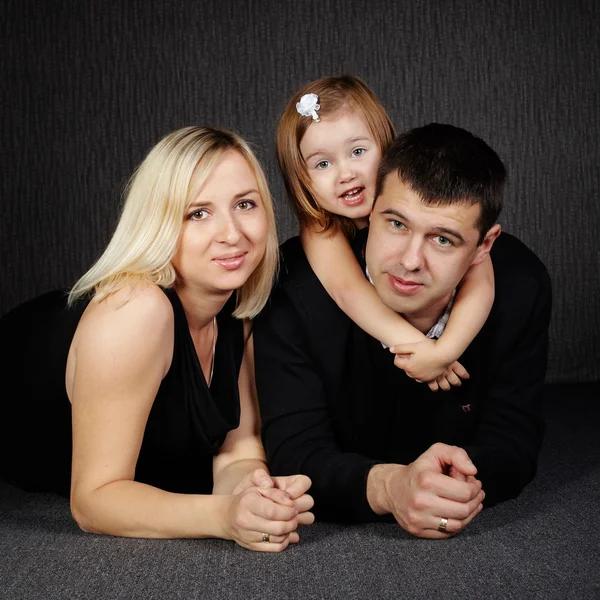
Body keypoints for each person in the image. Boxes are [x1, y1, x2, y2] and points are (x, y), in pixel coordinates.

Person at [0, 126, 313, 551]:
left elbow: (236, 453)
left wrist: (253, 494)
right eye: (197, 213)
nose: (233, 233)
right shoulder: (135, 311)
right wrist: (224, 517)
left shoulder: (237, 311)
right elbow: (94, 502)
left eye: (245, 204)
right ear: (158, 222)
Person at [254, 122, 552, 538]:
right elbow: (294, 452)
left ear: (484, 246)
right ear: (370, 208)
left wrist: (453, 486)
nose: (410, 261)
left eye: (443, 240)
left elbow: (514, 440)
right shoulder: (292, 287)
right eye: (396, 224)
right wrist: (390, 488)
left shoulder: (521, 283)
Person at [277, 76, 495, 390]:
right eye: (323, 164)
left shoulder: (427, 200)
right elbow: (347, 291)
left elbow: (481, 278)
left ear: (386, 146)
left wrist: (446, 351)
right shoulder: (320, 229)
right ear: (301, 180)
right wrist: (419, 347)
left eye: (357, 152)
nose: (345, 173)